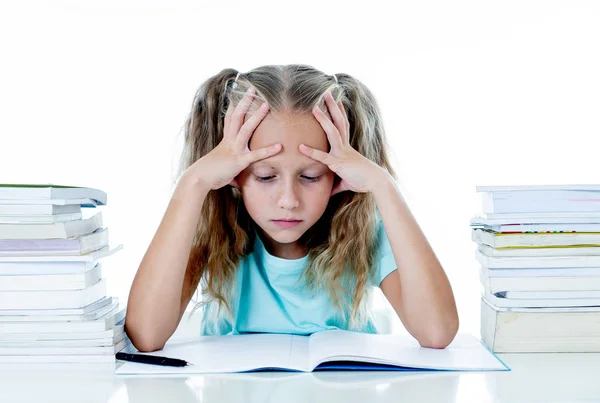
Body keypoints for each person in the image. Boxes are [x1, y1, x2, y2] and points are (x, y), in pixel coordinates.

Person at [125, 64, 459, 352]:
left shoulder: (361, 226)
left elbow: (436, 332)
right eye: (266, 176)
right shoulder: (212, 226)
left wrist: (383, 186)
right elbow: (146, 335)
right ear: (232, 174)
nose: (288, 200)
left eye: (312, 176)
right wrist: (194, 181)